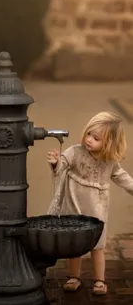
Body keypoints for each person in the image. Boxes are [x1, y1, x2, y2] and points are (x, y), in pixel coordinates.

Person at [47, 111, 133, 295]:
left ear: (109, 143)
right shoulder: (75, 152)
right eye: (89, 134)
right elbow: (61, 166)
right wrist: (55, 162)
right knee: (75, 244)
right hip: (74, 205)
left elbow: (121, 177)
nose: (89, 140)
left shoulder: (110, 161)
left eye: (96, 138)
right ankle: (74, 276)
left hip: (97, 208)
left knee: (98, 245)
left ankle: (100, 280)